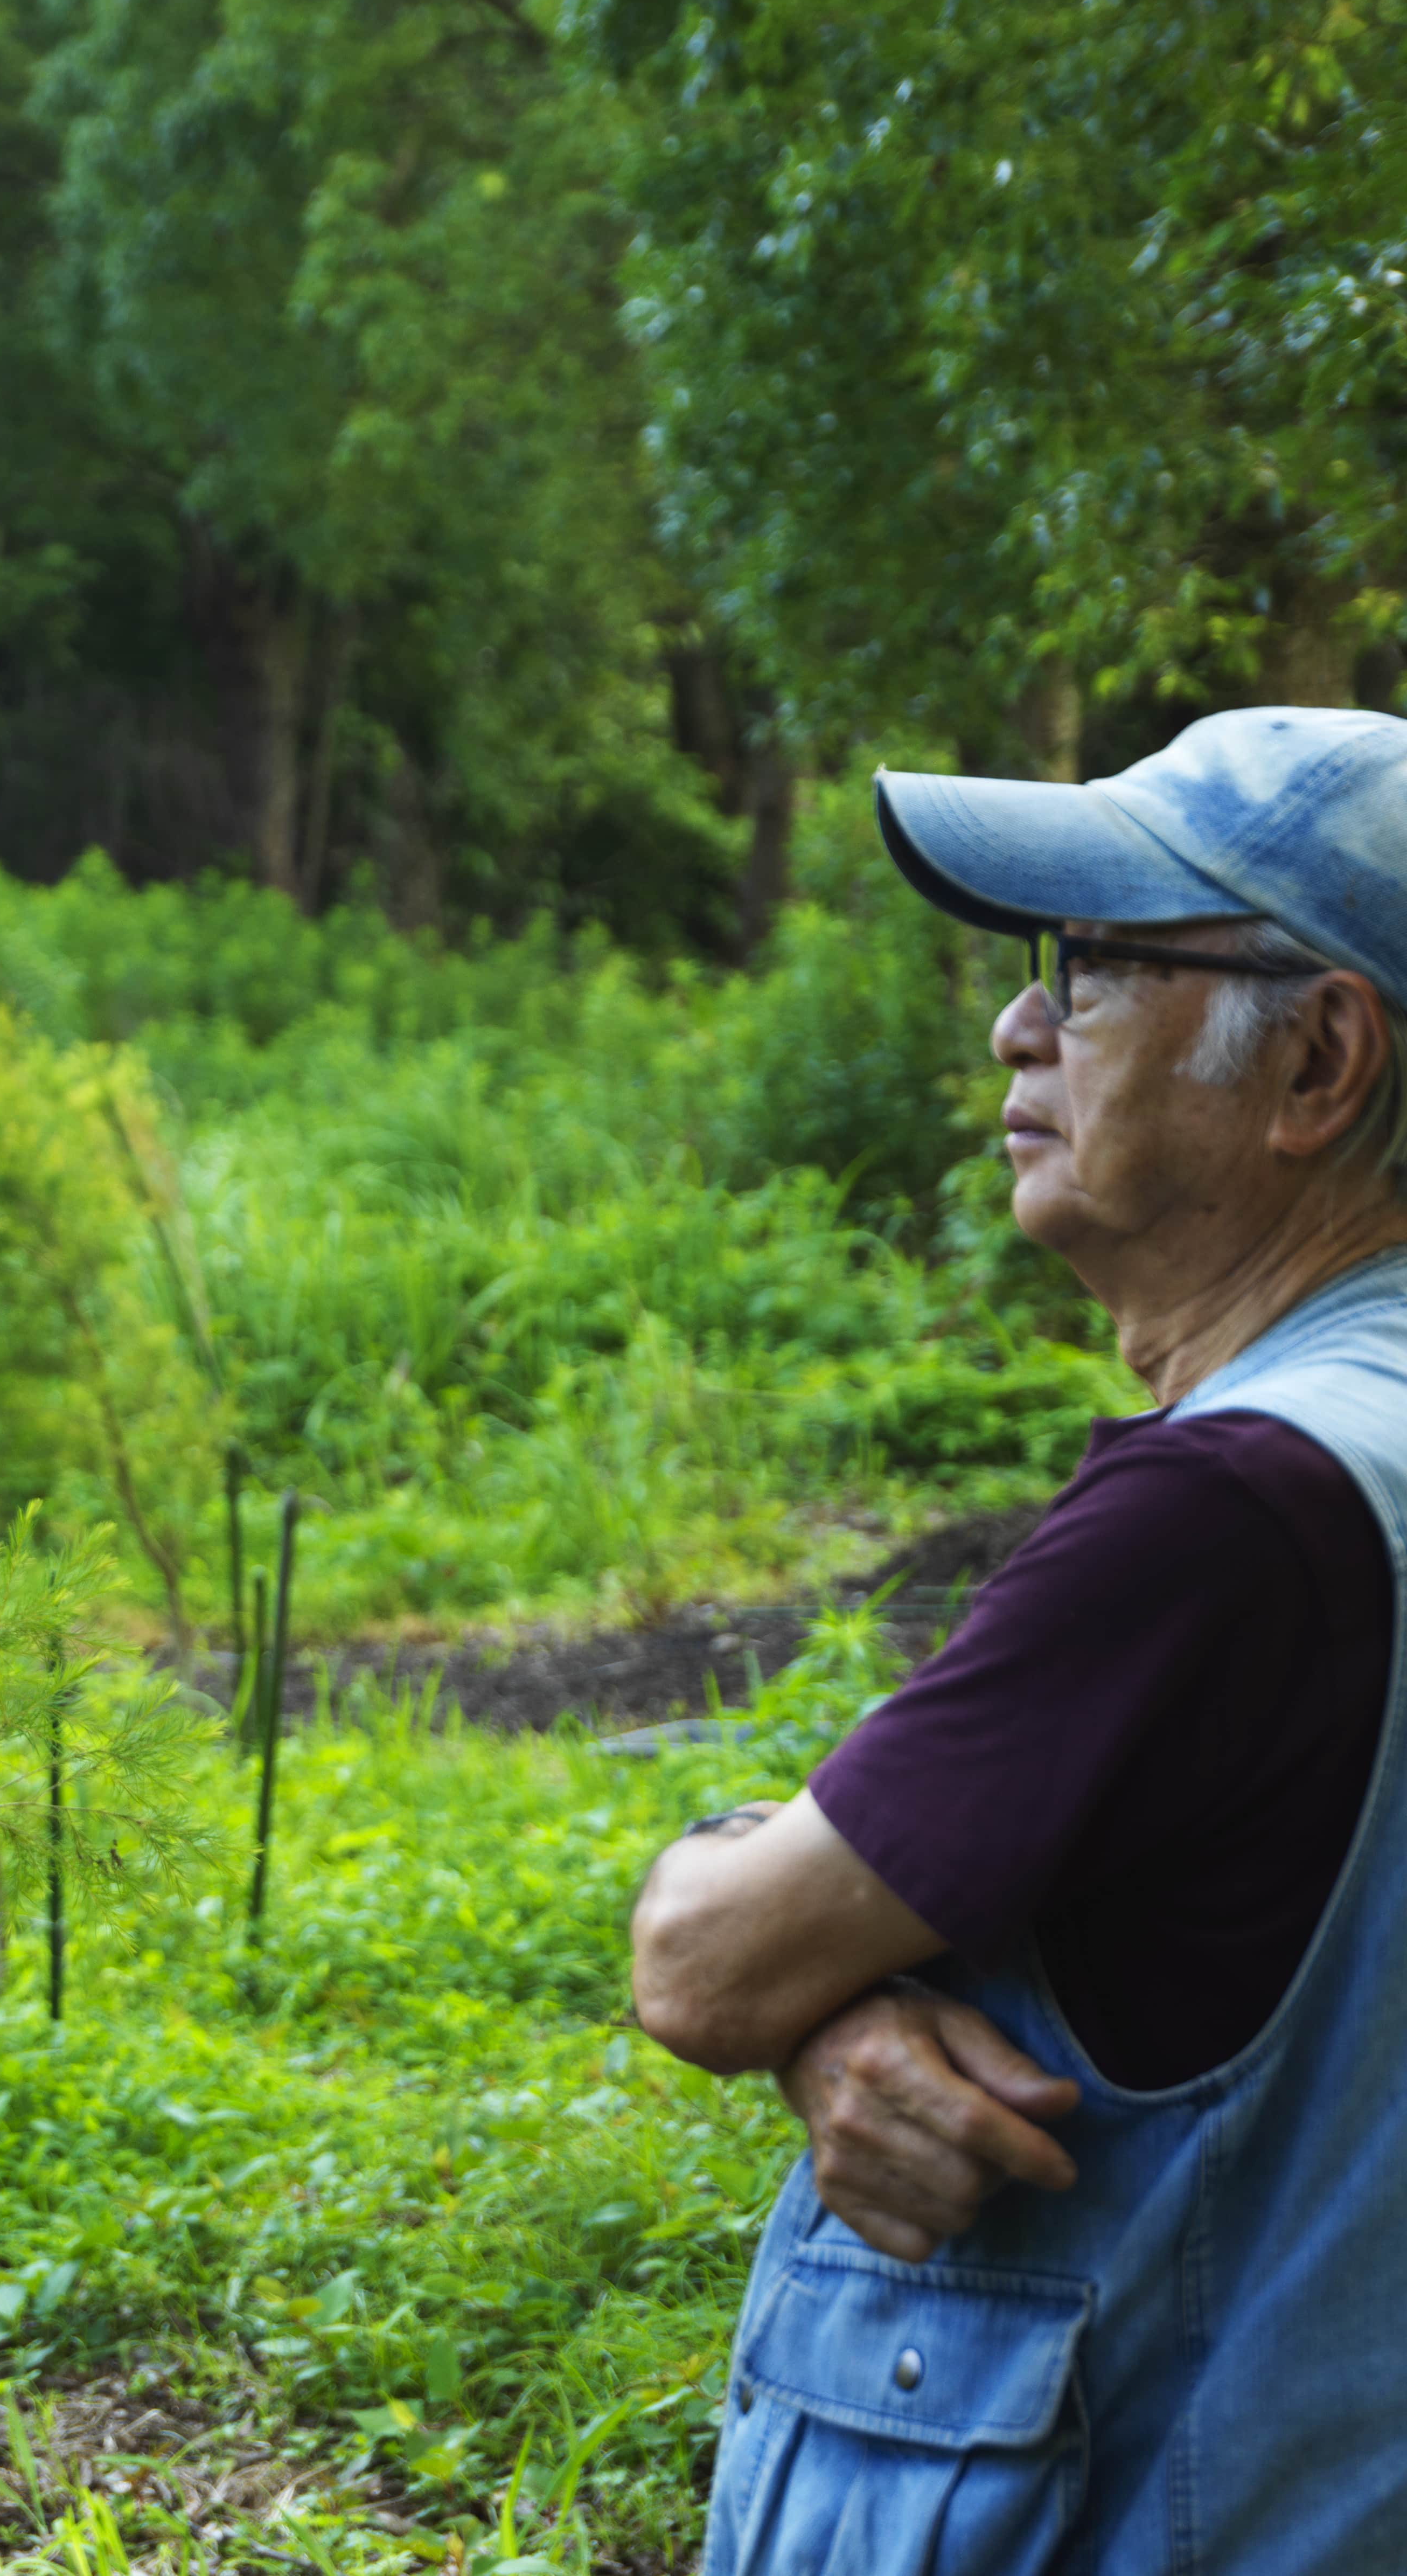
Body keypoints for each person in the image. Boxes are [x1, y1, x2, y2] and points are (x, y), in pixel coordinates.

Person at [627, 706, 1407, 2572]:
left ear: (1317, 1060)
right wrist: (862, 2001)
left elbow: (705, 1965)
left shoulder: (1233, 1508)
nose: (1018, 1022)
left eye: (1097, 962)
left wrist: (815, 1987)